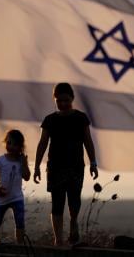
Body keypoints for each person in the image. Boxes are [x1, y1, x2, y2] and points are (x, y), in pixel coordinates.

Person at [33, 82, 98, 246]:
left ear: (72, 99)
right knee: (57, 203)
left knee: (74, 201)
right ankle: (59, 240)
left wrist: (93, 163)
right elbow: (42, 144)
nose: (62, 103)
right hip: (55, 168)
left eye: (66, 100)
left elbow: (88, 142)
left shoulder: (81, 118)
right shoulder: (49, 120)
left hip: (76, 166)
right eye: (59, 100)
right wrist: (36, 168)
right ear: (54, 99)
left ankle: (74, 221)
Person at [0, 130, 31, 244]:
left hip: (17, 198)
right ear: (5, 142)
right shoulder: (1, 160)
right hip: (1, 198)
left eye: (15, 144)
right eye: (9, 142)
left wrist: (24, 163)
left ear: (20, 147)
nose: (11, 146)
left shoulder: (21, 161)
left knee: (20, 223)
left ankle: (20, 247)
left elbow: (27, 177)